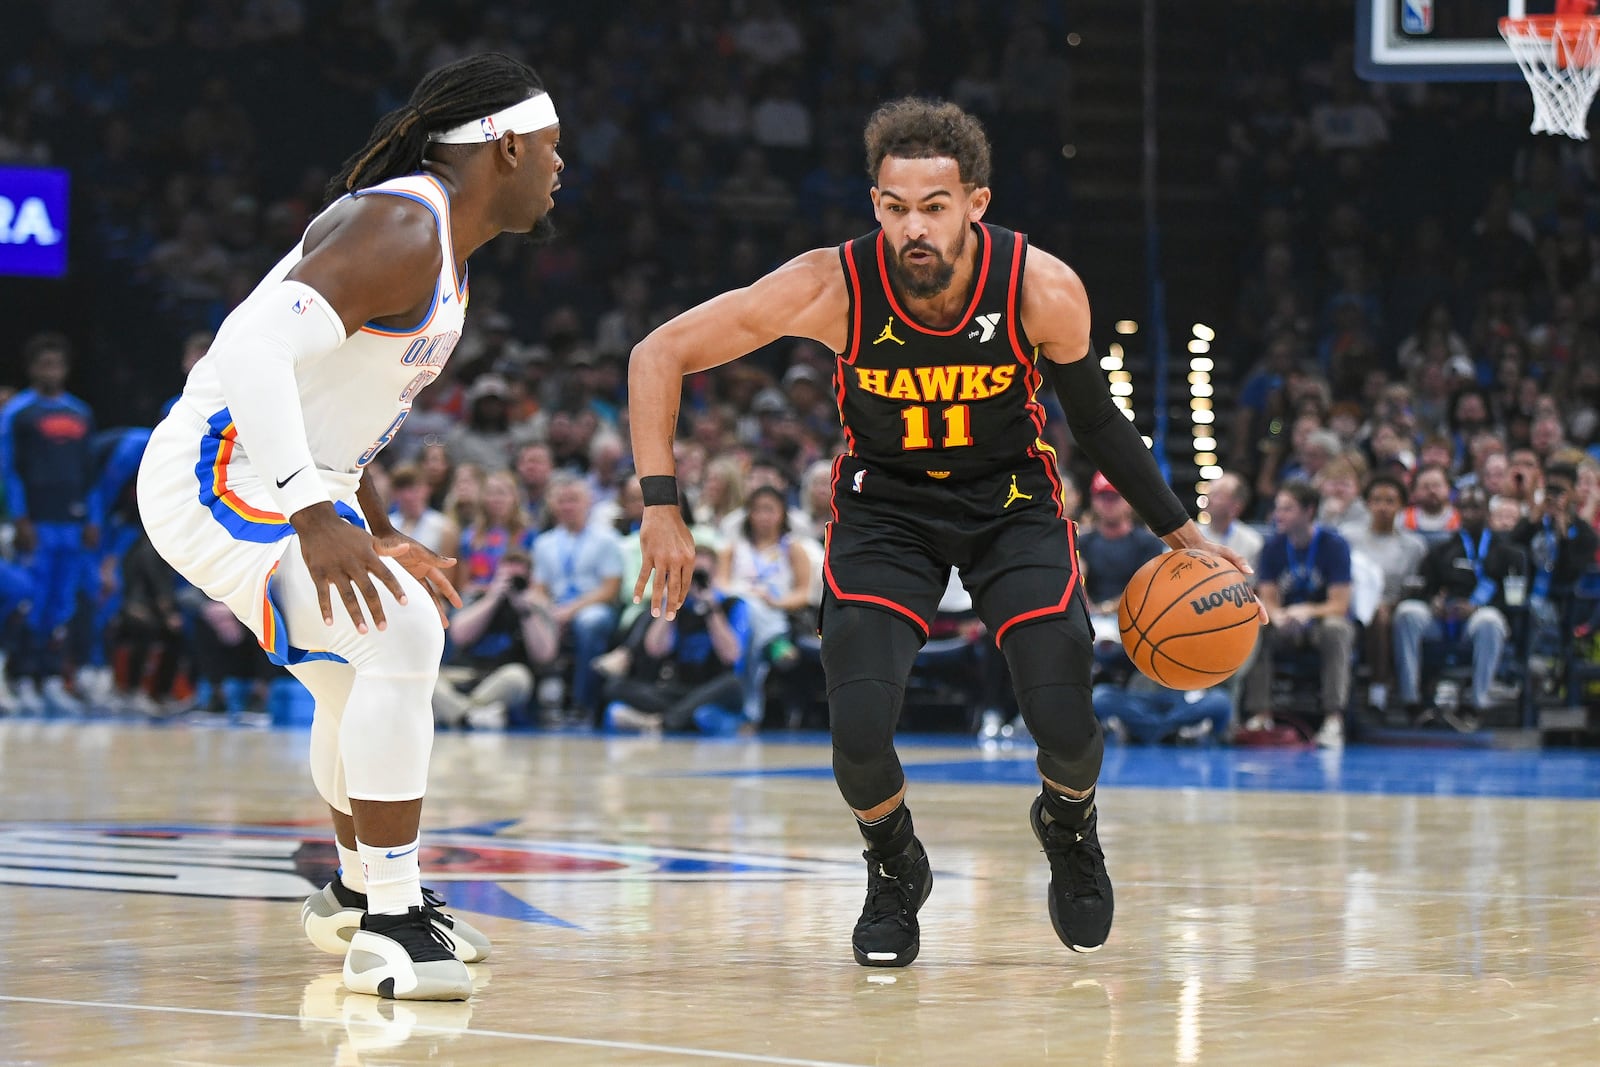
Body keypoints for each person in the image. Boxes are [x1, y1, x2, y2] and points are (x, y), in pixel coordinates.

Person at [628, 98, 1256, 966]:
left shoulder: (1042, 286)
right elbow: (658, 352)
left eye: (933, 206)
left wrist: (1182, 531)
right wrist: (663, 505)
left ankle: (1068, 823)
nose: (912, 225)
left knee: (1069, 726)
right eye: (893, 206)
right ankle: (895, 866)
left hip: (1012, 507)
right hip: (887, 510)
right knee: (855, 735)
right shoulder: (833, 284)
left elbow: (1101, 425)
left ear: (976, 204)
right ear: (875, 203)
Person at [135, 53, 563, 1001]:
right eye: (549, 148)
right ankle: (392, 923)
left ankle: (357, 890)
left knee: (356, 668)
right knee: (400, 628)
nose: (558, 167)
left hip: (288, 476)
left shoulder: (440, 246)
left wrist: (373, 523)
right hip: (216, 474)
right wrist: (312, 506)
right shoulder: (405, 224)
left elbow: (340, 421)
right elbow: (249, 348)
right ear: (502, 148)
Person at [0, 332, 99, 714]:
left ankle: (50, 679)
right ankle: (21, 678)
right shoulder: (18, 413)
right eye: (44, 365)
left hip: (71, 522)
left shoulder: (80, 413)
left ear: (66, 369)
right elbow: (9, 470)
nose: (51, 371)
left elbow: (88, 473)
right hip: (36, 523)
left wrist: (91, 517)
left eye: (57, 364)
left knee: (63, 606)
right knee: (31, 603)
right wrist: (21, 517)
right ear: (32, 369)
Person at [1393, 485, 1524, 727]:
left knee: (1490, 622)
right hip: (1443, 620)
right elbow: (1424, 587)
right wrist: (1434, 602)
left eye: (1476, 507)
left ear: (1487, 511)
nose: (1470, 513)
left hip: (1478, 617)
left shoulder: (1508, 553)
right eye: (1464, 507)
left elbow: (1514, 599)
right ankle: (1412, 702)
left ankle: (1475, 705)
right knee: (1407, 613)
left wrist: (1475, 608)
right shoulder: (1442, 550)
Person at [1240, 479, 1356, 748]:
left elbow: (1339, 604)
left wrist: (1308, 611)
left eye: (1287, 509)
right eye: (1277, 508)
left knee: (1337, 629)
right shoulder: (1273, 546)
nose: (1277, 515)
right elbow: (1267, 597)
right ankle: (1260, 713)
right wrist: (1278, 616)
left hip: (1320, 623)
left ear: (1309, 511)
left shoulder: (1334, 545)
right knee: (1258, 625)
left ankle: (1333, 719)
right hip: (1286, 625)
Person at [1341, 474, 1428, 711]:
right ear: (1367, 504)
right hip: (1352, 603)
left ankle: (1378, 690)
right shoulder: (1348, 537)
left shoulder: (1414, 546)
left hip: (1392, 606)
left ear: (1401, 505)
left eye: (1390, 501)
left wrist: (1391, 604)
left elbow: (1414, 588)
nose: (1383, 507)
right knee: (1374, 613)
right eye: (1377, 500)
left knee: (1381, 615)